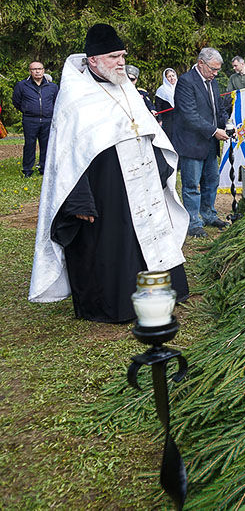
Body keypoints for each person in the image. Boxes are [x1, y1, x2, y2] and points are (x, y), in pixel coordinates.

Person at [29, 23, 188, 323]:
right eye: (114, 56)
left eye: (122, 55)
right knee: (114, 245)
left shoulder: (125, 86)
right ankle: (116, 305)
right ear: (93, 60)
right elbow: (66, 156)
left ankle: (160, 291)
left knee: (148, 237)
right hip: (103, 189)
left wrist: (160, 166)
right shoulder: (75, 97)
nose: (121, 62)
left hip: (141, 181)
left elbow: (146, 129)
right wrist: (78, 200)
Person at [173, 47, 230, 237]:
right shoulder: (186, 82)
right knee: (191, 185)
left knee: (211, 182)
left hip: (210, 143)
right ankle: (193, 222)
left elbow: (218, 109)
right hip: (191, 143)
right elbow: (190, 115)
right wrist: (214, 131)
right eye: (213, 69)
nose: (215, 74)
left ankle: (208, 214)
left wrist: (228, 124)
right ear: (201, 63)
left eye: (217, 70)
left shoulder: (213, 82)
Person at [12, 61, 58, 178]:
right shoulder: (22, 85)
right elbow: (16, 101)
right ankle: (27, 170)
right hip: (30, 120)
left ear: (43, 70)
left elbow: (56, 102)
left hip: (47, 120)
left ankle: (44, 168)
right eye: (34, 69)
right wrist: (26, 109)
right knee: (29, 145)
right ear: (30, 71)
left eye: (39, 68)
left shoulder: (52, 86)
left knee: (46, 145)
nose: (37, 71)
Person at [154, 68, 178, 140]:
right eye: (169, 76)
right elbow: (158, 106)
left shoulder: (180, 87)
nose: (172, 78)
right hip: (168, 119)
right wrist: (159, 120)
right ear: (166, 78)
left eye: (173, 75)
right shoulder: (161, 90)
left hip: (180, 117)